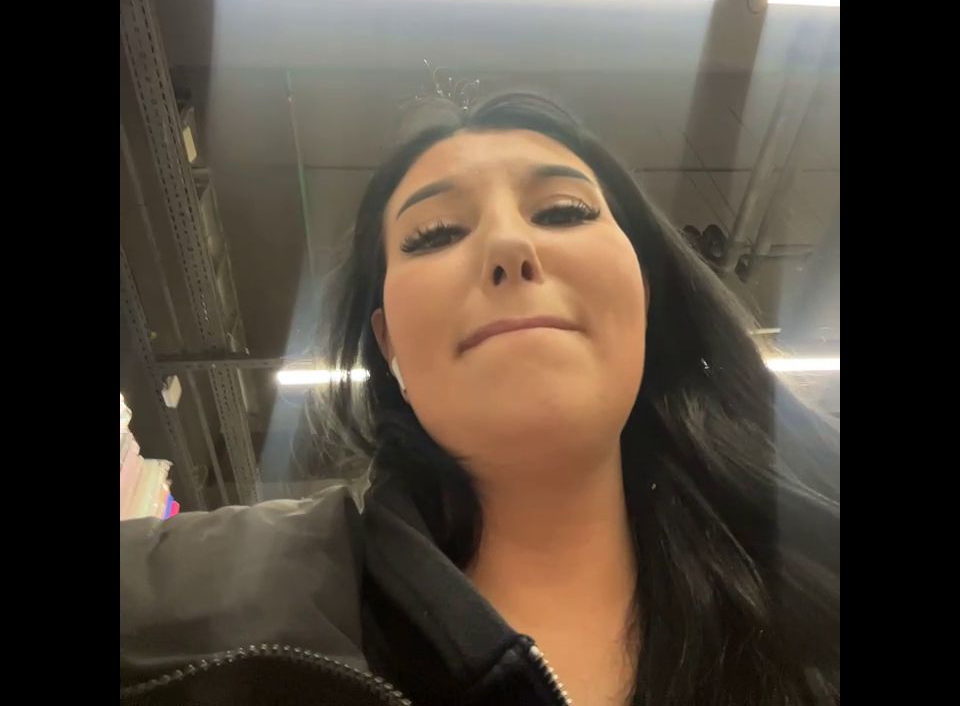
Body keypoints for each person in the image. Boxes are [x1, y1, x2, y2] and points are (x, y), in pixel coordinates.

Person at [120, 91, 840, 706]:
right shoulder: (226, 599)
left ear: (644, 296)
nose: (507, 245)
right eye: (434, 234)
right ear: (389, 345)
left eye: (563, 211)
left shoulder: (815, 588)